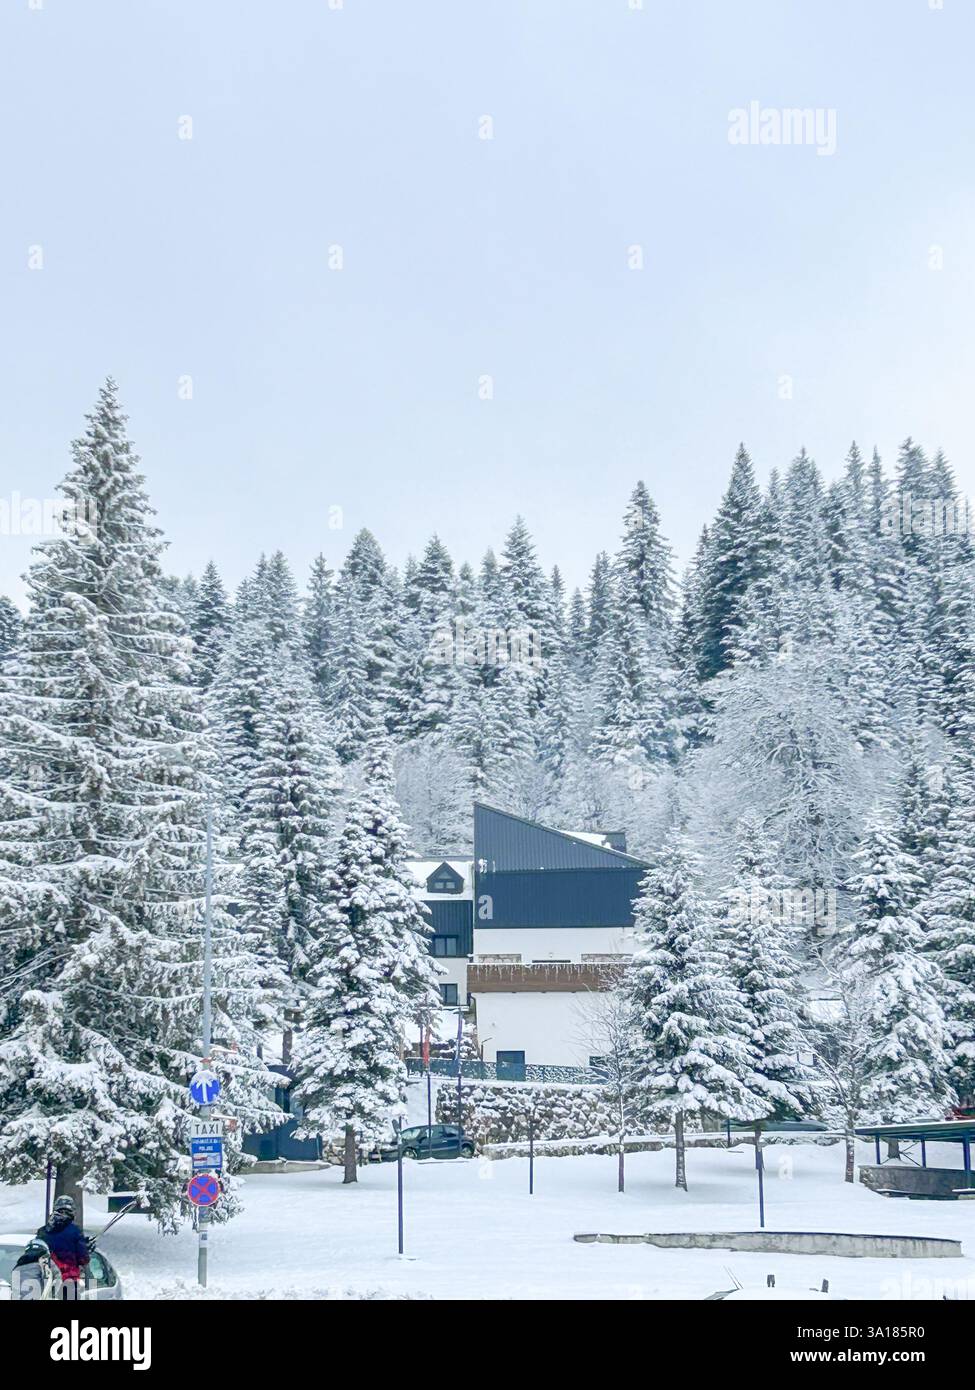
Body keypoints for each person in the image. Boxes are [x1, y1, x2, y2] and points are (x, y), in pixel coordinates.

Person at [36, 1196, 91, 1299]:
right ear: (72, 1211)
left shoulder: (43, 1231)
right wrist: (85, 1247)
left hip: (45, 1282)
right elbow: (84, 1259)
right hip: (67, 1282)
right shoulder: (75, 1232)